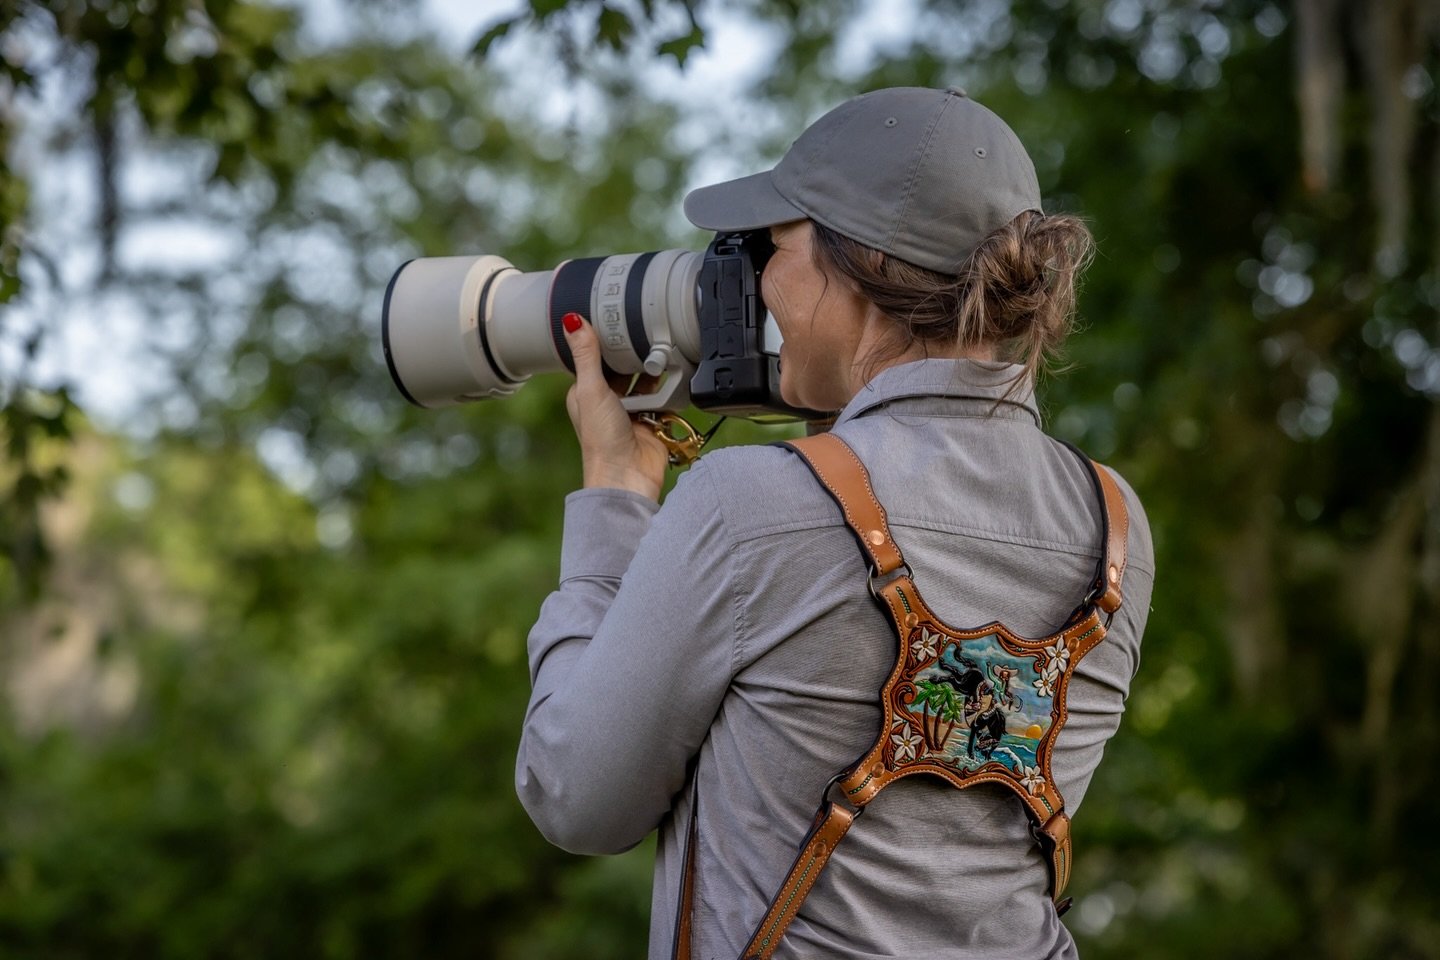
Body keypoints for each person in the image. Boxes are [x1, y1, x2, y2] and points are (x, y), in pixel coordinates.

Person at [515, 86, 1154, 960]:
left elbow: (575, 796)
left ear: (854, 267)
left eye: (773, 248)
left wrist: (614, 505)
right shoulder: (1115, 522)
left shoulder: (753, 505)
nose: (753, 285)